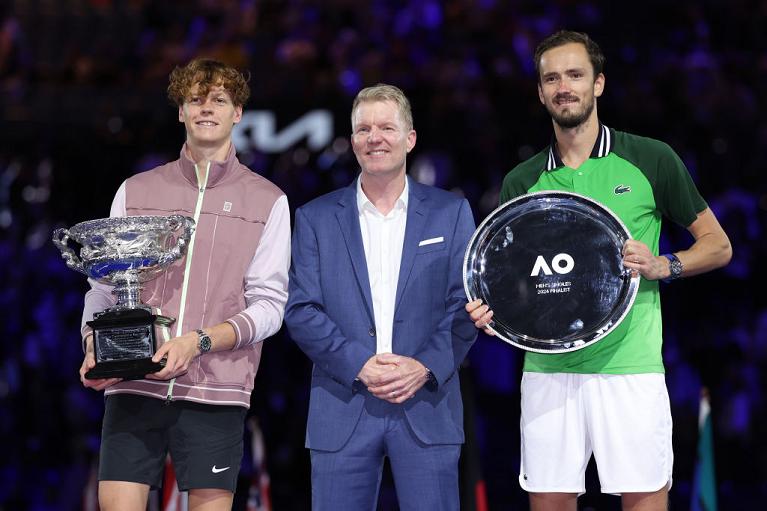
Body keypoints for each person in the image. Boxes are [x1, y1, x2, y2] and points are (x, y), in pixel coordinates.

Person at [466, 31, 732, 511]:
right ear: (540, 92)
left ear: (599, 84)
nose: (563, 87)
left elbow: (718, 245)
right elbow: (511, 280)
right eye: (552, 78)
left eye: (575, 75)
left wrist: (663, 264)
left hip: (629, 367)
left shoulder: (650, 158)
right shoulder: (521, 181)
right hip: (547, 368)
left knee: (645, 501)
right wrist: (493, 313)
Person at [79, 58, 290, 511]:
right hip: (135, 383)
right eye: (196, 98)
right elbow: (104, 284)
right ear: (181, 111)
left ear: (238, 113)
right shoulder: (135, 190)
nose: (206, 108)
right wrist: (92, 343)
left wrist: (199, 342)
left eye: (219, 99)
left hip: (216, 389)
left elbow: (271, 306)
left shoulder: (268, 200)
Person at [284, 84, 477, 510]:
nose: (376, 138)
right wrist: (359, 365)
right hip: (342, 404)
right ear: (352, 141)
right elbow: (301, 309)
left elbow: (466, 303)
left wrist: (424, 366)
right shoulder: (314, 218)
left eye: (387, 127)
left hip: (426, 402)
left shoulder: (452, 213)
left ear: (410, 139)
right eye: (364, 129)